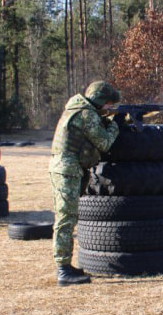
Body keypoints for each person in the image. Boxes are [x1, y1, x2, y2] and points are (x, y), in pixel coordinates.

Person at [49, 81, 122, 286]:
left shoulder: (79, 109)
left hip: (65, 167)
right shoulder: (87, 114)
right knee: (65, 218)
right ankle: (63, 269)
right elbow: (104, 143)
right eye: (108, 104)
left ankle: (65, 265)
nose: (110, 108)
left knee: (67, 217)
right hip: (67, 169)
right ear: (100, 101)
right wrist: (116, 124)